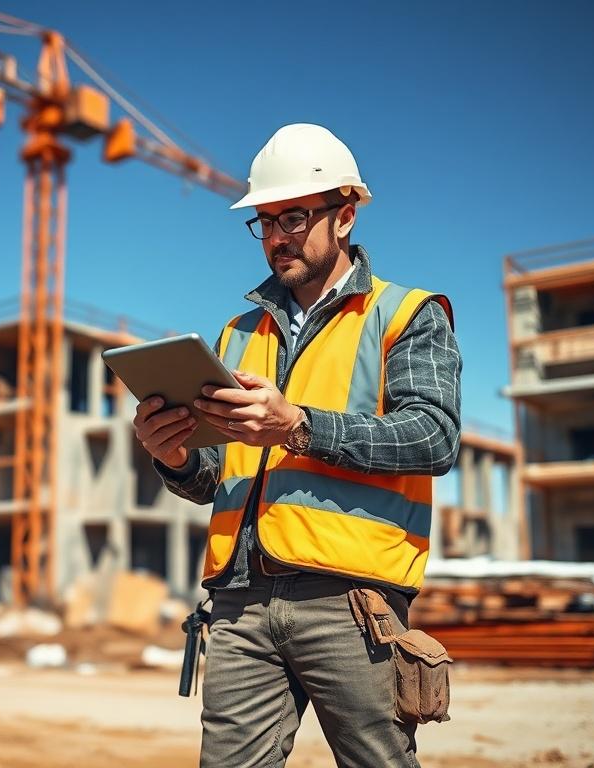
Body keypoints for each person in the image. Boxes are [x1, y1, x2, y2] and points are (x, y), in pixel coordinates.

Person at [132, 123, 462, 768]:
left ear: (344, 216)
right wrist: (171, 455)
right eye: (265, 221)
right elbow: (216, 479)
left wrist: (299, 425)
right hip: (238, 601)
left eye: (293, 217)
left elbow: (434, 437)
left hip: (351, 601)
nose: (277, 236)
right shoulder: (235, 334)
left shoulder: (406, 314)